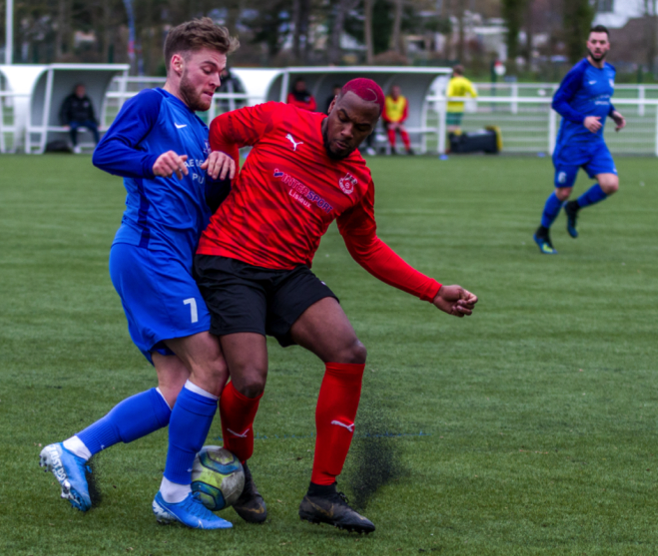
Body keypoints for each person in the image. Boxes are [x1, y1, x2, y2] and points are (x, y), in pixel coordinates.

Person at [193, 78, 478, 534]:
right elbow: (224, 127)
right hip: (228, 262)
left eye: (360, 128)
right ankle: (239, 472)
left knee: (349, 351)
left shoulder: (357, 178)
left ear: (371, 130)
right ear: (332, 107)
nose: (347, 131)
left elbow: (365, 247)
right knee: (248, 377)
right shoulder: (279, 119)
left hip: (288, 273)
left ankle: (321, 495)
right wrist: (224, 166)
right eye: (343, 118)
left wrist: (432, 290)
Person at [40, 18, 243, 531]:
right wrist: (153, 161)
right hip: (149, 254)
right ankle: (174, 495)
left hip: (171, 260)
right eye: (208, 69)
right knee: (212, 370)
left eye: (221, 72)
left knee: (178, 388)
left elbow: (201, 203)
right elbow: (105, 152)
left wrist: (222, 173)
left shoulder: (201, 129)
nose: (216, 81)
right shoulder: (153, 105)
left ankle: (73, 449)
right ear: (178, 64)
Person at [533, 25, 625, 255]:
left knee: (611, 185)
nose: (598, 46)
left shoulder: (610, 71)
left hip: (595, 143)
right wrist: (583, 119)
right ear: (588, 44)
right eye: (594, 41)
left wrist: (613, 113)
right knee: (563, 192)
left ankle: (574, 208)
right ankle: (542, 232)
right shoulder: (578, 72)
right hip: (571, 144)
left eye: (602, 42)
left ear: (608, 46)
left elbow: (602, 98)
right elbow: (558, 102)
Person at [59, 84, 100, 153]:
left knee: (94, 127)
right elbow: (64, 112)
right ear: (76, 90)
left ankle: (98, 146)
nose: (81, 91)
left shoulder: (86, 99)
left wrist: (97, 123)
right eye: (79, 90)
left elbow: (92, 113)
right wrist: (65, 123)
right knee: (73, 128)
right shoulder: (70, 99)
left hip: (86, 120)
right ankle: (75, 146)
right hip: (74, 120)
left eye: (82, 90)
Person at [445, 65, 477, 134]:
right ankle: (457, 142)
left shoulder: (452, 82)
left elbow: (448, 95)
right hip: (460, 108)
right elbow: (474, 95)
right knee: (457, 127)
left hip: (451, 108)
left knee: (450, 127)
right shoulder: (466, 82)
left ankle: (451, 142)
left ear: (455, 73)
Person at [383, 84, 413, 155]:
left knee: (403, 129)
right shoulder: (386, 99)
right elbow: (383, 113)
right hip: (388, 122)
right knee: (391, 128)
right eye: (394, 91)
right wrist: (391, 121)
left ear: (399, 92)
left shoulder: (403, 100)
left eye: (397, 91)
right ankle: (392, 148)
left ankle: (408, 148)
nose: (395, 93)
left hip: (399, 122)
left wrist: (398, 122)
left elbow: (405, 114)